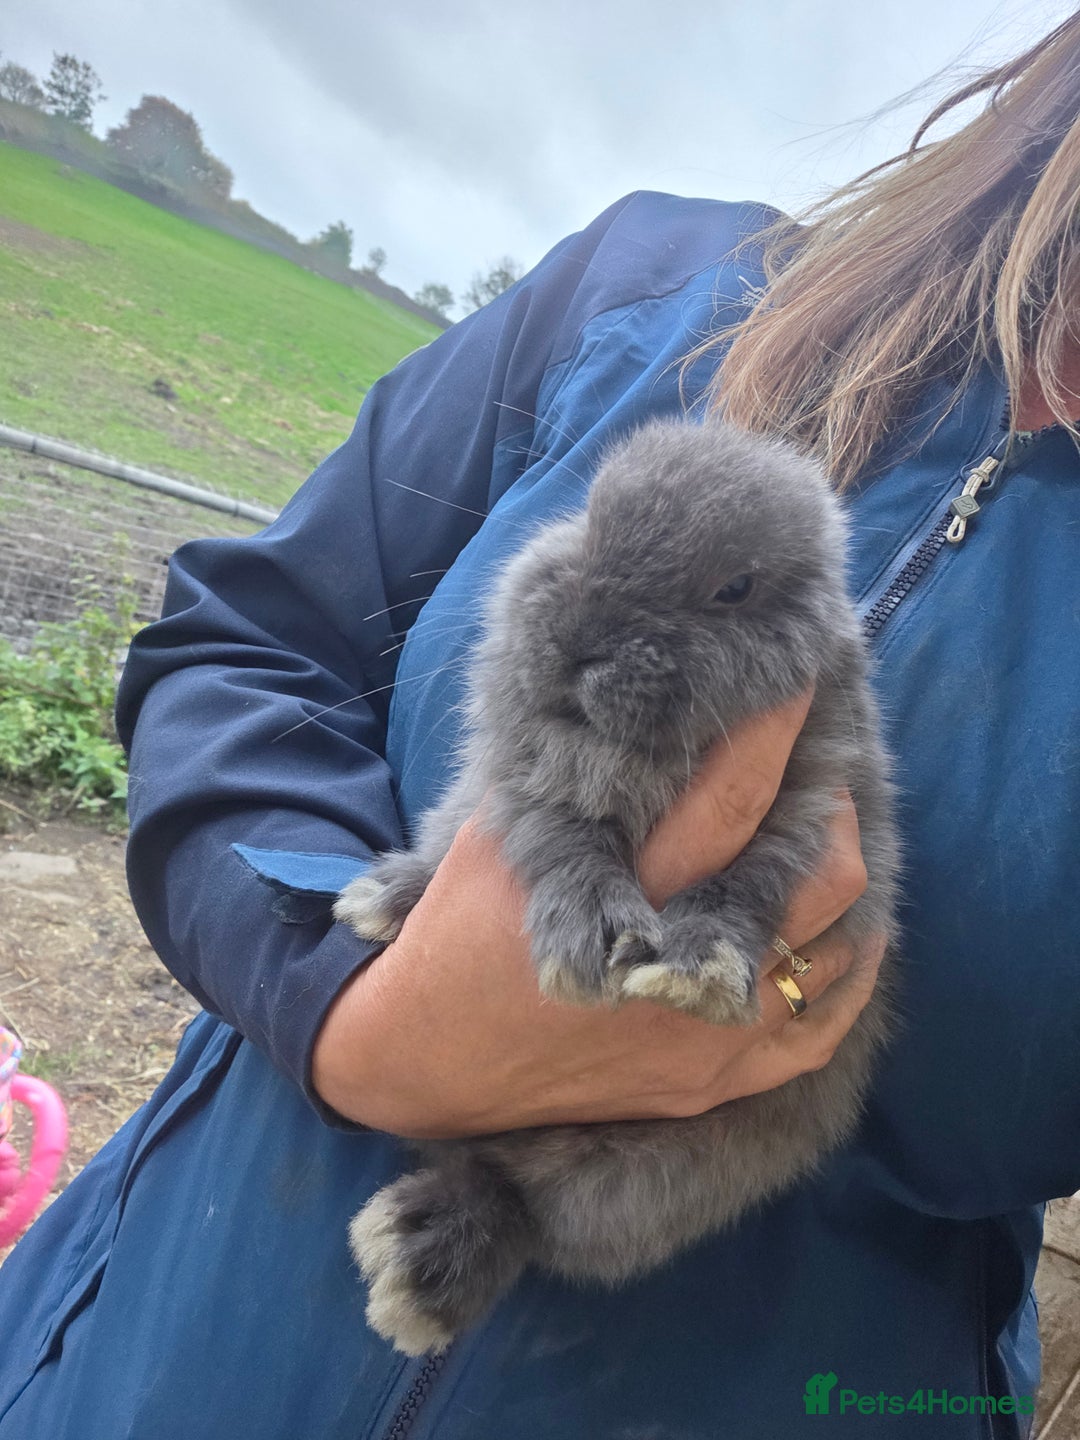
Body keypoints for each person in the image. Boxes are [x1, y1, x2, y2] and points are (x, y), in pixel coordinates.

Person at [1, 14, 1079, 1438]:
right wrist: (353, 1014)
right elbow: (245, 645)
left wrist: (768, 985)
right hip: (163, 1354)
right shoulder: (659, 289)